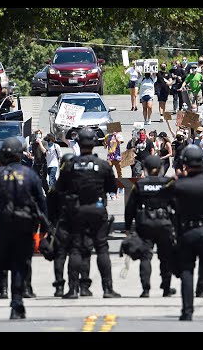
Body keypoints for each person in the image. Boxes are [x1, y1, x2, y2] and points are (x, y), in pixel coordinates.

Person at [0, 137, 48, 320]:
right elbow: (41, 203)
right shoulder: (30, 175)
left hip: (1, 229)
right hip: (25, 229)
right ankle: (17, 306)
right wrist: (44, 228)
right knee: (20, 267)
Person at [159, 145, 203, 321]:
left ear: (184, 163)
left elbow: (163, 197)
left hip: (186, 231)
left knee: (186, 272)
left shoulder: (178, 185)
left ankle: (187, 312)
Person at [56, 128, 121, 298]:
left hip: (76, 210)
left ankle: (72, 289)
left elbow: (59, 188)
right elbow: (112, 188)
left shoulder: (70, 165)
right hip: (97, 209)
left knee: (76, 249)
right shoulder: (102, 165)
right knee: (101, 248)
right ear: (94, 143)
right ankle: (107, 289)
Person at [124, 155, 176, 298]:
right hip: (164, 222)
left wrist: (128, 227)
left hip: (145, 223)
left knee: (145, 257)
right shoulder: (168, 183)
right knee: (165, 257)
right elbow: (176, 204)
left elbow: (130, 208)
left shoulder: (140, 184)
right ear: (160, 168)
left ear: (145, 168)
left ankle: (146, 289)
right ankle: (166, 288)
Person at [47, 153, 93, 298]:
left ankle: (59, 287)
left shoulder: (55, 188)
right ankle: (83, 286)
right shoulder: (83, 185)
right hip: (80, 224)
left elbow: (50, 211)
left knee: (60, 256)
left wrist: (50, 228)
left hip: (61, 225)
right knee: (82, 254)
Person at [31, 129, 49, 195]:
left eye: (39, 133)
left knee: (43, 180)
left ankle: (47, 193)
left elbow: (44, 151)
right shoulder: (33, 144)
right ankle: (37, 194)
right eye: (37, 133)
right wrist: (30, 155)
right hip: (36, 164)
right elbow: (33, 154)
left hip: (43, 164)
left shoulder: (44, 142)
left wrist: (40, 143)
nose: (38, 134)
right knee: (35, 179)